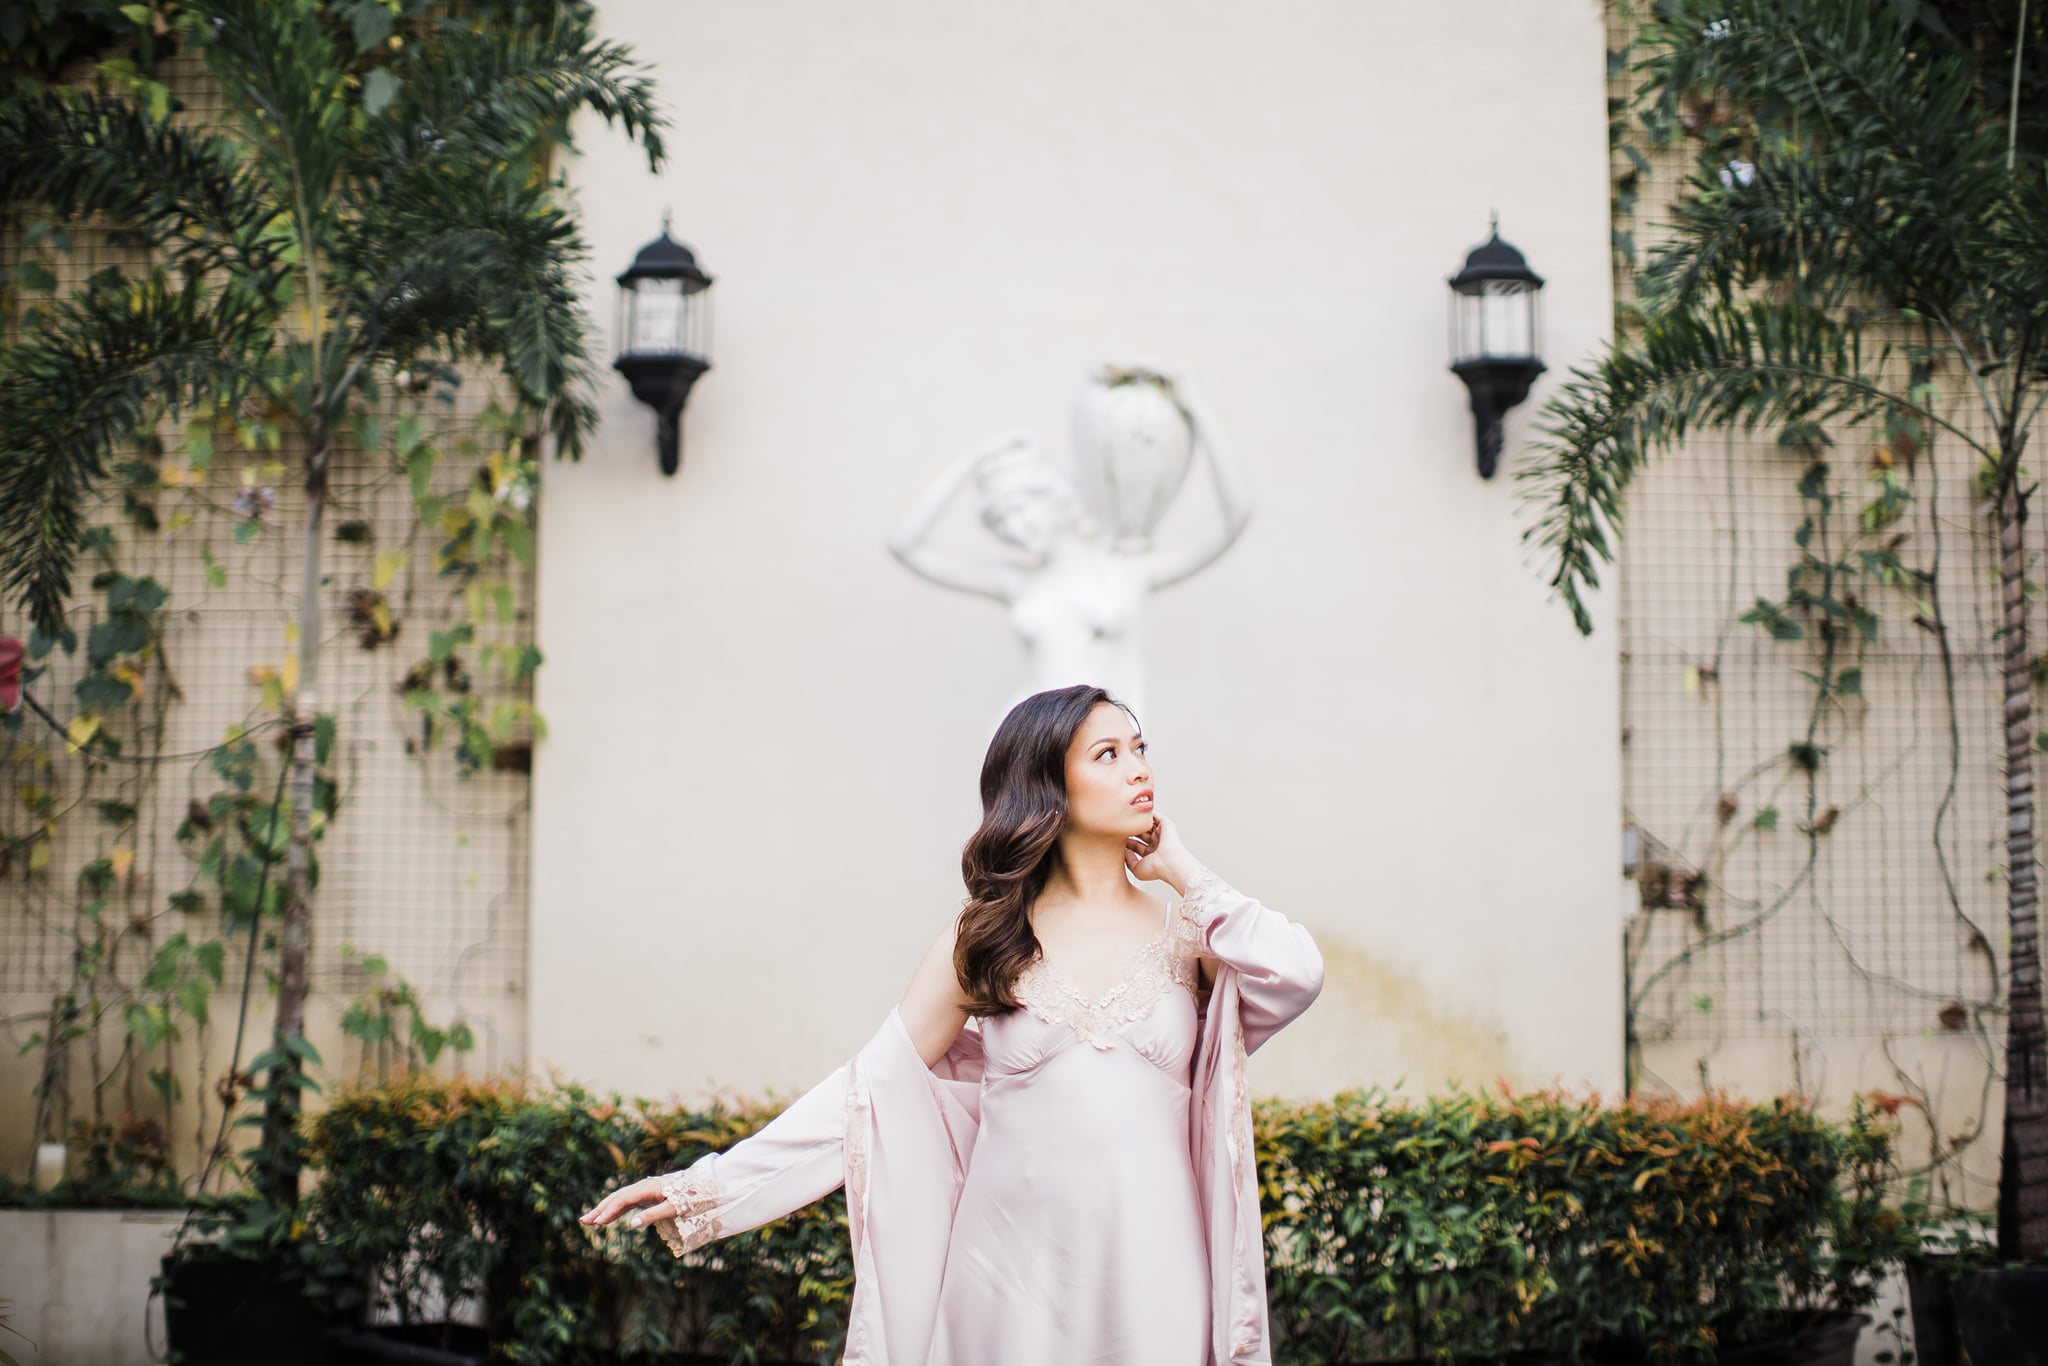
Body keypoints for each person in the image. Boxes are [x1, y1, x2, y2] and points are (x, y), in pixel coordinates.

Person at [580, 684, 1324, 1366]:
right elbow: (869, 1092)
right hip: (1009, 1275)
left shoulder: (1190, 937)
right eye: (1108, 754)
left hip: (1156, 1269)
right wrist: (705, 1190)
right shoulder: (987, 938)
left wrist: (1185, 872)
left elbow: (1297, 973)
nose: (1138, 769)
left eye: (1140, 748)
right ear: (1048, 785)